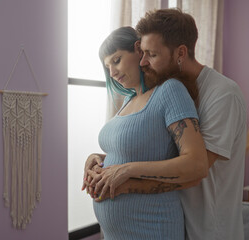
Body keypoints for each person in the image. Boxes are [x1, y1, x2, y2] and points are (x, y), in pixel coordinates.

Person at [85, 8, 247, 240]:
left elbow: (194, 171)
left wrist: (123, 178)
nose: (143, 62)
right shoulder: (163, 91)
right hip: (180, 221)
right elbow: (157, 152)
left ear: (180, 53)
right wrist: (104, 161)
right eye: (141, 52)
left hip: (210, 230)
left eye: (151, 54)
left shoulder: (222, 94)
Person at [84, 26, 208, 240]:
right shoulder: (128, 101)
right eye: (107, 67)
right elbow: (141, 151)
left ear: (139, 51)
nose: (112, 72)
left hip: (153, 227)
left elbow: (196, 164)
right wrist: (97, 159)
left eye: (116, 60)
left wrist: (126, 170)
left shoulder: (169, 91)